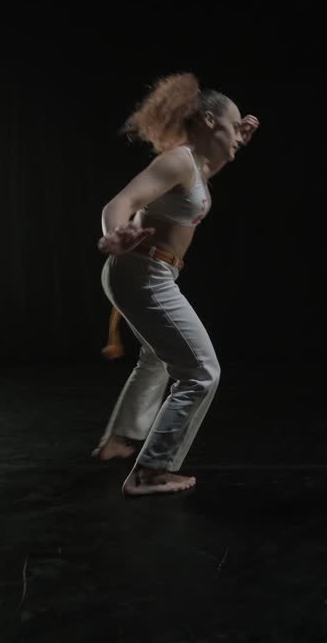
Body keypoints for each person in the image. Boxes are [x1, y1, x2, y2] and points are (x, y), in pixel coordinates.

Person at [92, 72, 259, 496]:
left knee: (155, 356)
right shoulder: (178, 160)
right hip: (143, 272)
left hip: (150, 272)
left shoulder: (198, 168)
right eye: (232, 124)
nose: (238, 133)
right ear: (207, 121)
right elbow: (120, 203)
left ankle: (119, 439)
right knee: (202, 372)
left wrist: (237, 139)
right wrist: (115, 234)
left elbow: (208, 174)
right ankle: (151, 470)